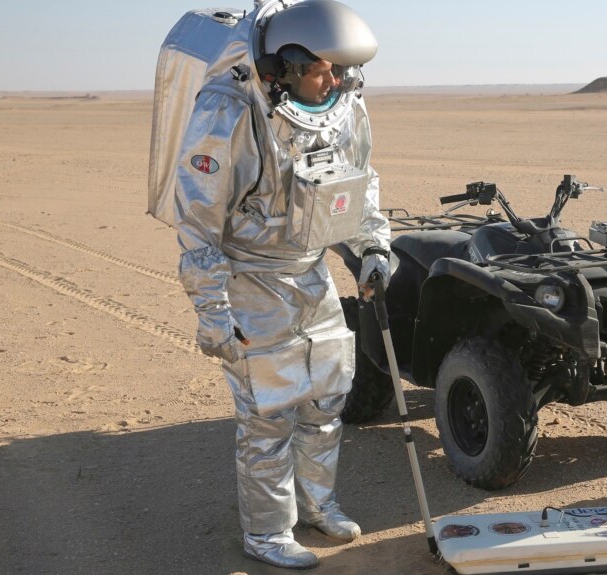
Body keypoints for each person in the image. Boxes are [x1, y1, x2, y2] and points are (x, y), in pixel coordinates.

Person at [173, 0, 391, 568]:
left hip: (308, 272)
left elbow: (360, 186)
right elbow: (197, 222)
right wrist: (213, 311)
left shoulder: (345, 108)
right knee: (269, 412)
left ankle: (319, 503)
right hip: (251, 276)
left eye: (342, 69)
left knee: (326, 398)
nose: (337, 80)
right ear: (286, 67)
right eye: (323, 69)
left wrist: (373, 249)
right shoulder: (229, 113)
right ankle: (268, 532)